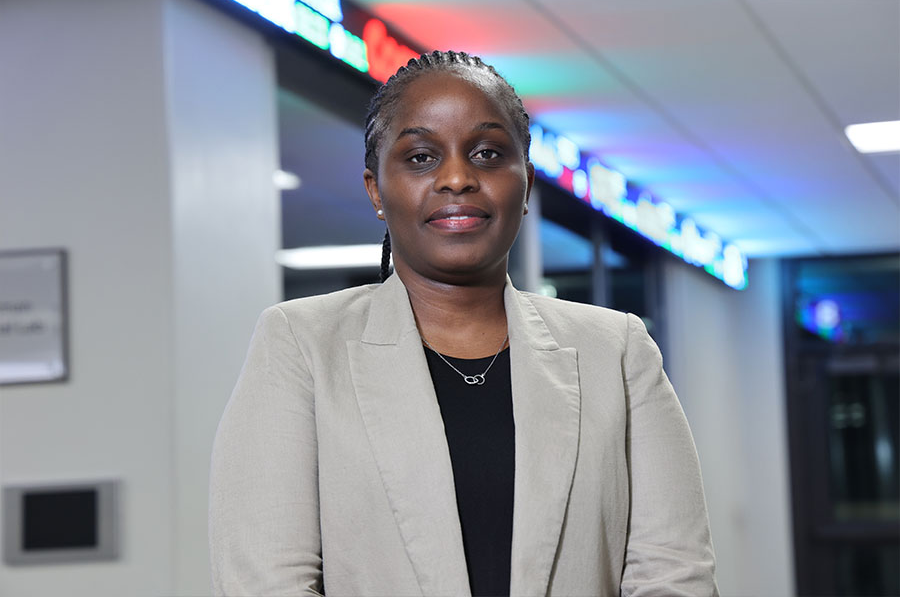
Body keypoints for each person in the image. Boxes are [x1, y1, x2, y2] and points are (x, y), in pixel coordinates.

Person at [209, 50, 717, 597]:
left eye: (487, 153)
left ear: (525, 184)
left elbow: (673, 574)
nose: (457, 177)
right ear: (376, 190)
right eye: (422, 157)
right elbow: (265, 582)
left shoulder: (616, 350)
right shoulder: (302, 344)